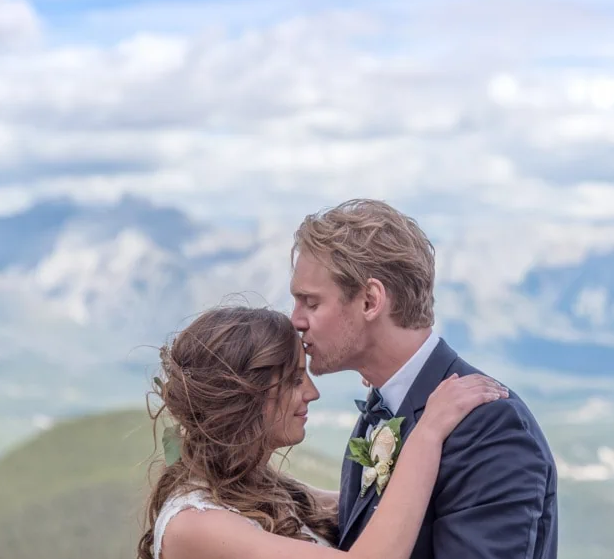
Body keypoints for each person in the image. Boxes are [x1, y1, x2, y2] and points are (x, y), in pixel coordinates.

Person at [290, 199, 559, 559]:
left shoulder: (490, 426)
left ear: (370, 301)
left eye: (310, 302)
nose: (295, 319)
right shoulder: (382, 407)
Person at [137, 305, 508, 559]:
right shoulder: (194, 524)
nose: (312, 392)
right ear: (245, 398)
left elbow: (369, 507)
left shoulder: (264, 490)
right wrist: (427, 430)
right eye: (296, 379)